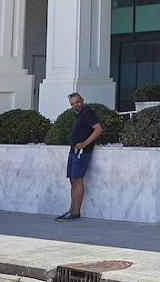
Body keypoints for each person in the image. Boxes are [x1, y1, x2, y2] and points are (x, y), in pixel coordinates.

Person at [56, 92, 102, 222]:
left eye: (77, 102)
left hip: (82, 152)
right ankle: (71, 210)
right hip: (73, 151)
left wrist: (84, 144)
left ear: (82, 100)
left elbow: (98, 129)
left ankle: (76, 212)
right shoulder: (79, 116)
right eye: (72, 104)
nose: (75, 105)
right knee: (72, 180)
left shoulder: (88, 113)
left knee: (77, 179)